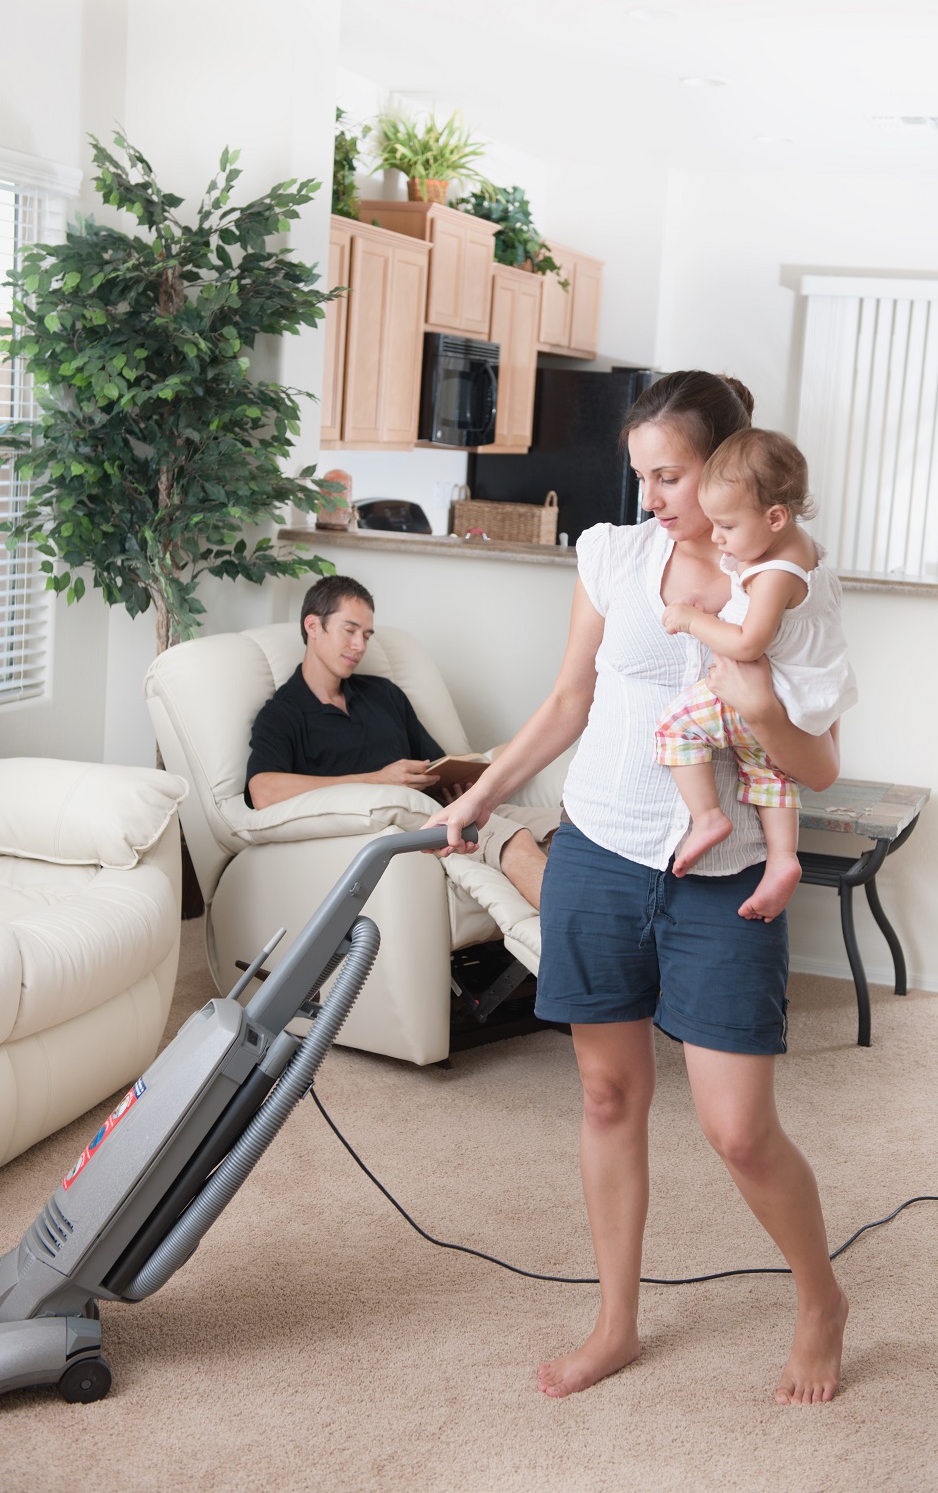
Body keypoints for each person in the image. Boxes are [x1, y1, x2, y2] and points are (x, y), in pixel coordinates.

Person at [427, 370, 850, 1406]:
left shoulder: (787, 580)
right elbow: (570, 699)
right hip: (600, 854)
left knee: (737, 1129)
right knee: (609, 1094)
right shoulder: (613, 555)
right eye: (642, 476)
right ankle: (614, 1322)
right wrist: (478, 793)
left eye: (669, 474)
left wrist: (753, 699)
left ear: (729, 465)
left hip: (723, 879)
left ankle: (819, 1299)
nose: (652, 497)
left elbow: (821, 766)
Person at [244, 574, 556, 909]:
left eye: (366, 635)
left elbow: (435, 762)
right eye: (349, 631)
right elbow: (263, 790)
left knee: (561, 830)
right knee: (517, 840)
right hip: (411, 829)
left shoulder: (383, 694)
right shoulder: (283, 713)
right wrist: (377, 779)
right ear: (313, 626)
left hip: (443, 811)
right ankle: (581, 947)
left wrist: (451, 784)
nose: (360, 646)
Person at [655, 427, 857, 923]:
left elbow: (748, 642)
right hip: (802, 705)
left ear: (774, 517)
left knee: (676, 727)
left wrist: (693, 619)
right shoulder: (801, 552)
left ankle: (706, 818)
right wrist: (718, 607)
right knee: (768, 772)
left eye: (726, 525)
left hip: (766, 694)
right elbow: (769, 618)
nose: (717, 537)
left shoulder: (774, 574)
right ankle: (783, 859)